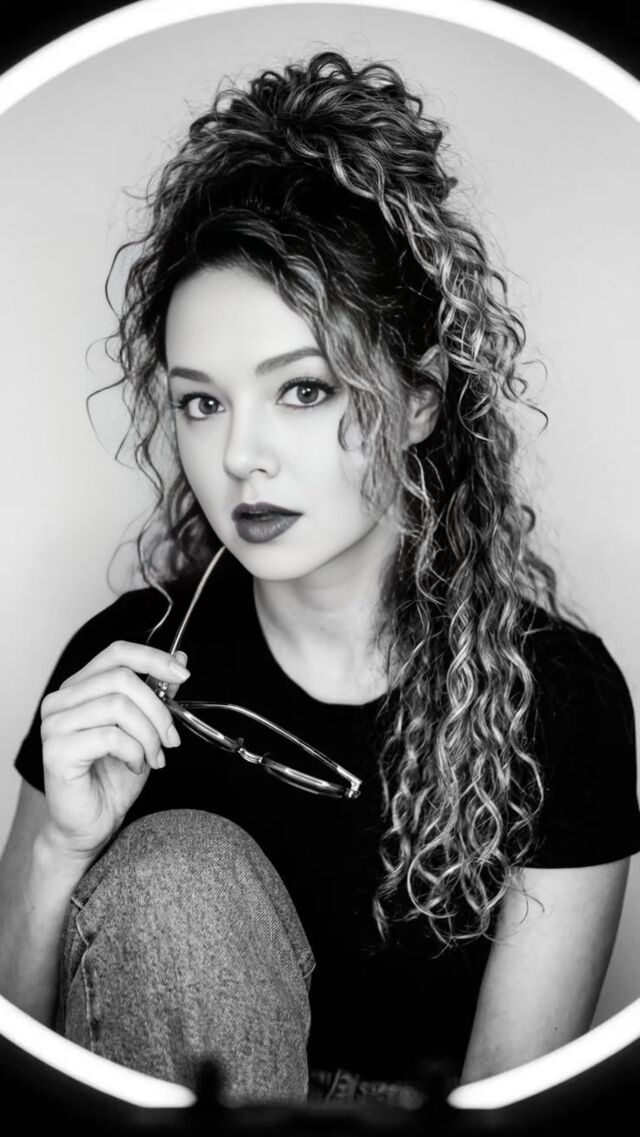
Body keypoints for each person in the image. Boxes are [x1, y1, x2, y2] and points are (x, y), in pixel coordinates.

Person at [0, 51, 638, 1109]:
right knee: (181, 875)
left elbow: (511, 1091)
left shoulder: (555, 700)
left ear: (419, 401)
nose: (240, 456)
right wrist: (60, 846)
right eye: (201, 402)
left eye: (302, 389)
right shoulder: (126, 672)